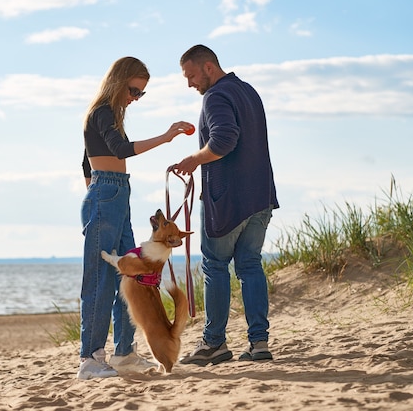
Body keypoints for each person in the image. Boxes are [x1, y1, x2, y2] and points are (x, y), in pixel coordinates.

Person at [79, 56, 194, 380]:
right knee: (100, 281)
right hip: (107, 195)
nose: (135, 98)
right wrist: (166, 136)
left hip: (116, 194)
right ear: (118, 81)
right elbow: (120, 150)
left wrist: (102, 189)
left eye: (141, 94)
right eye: (133, 90)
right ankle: (90, 359)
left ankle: (125, 353)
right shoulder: (102, 112)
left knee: (136, 278)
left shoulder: (110, 115)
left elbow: (86, 161)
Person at [174, 45, 279, 366]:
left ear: (208, 67)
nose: (190, 83)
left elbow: (223, 140)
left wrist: (194, 159)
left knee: (215, 267)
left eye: (191, 75)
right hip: (260, 196)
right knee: (249, 266)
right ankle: (258, 343)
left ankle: (214, 344)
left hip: (228, 200)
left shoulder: (216, 96)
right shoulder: (248, 91)